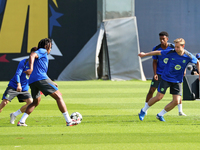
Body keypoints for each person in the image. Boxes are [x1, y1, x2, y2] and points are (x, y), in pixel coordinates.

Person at [17, 38, 80, 126]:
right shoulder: (43, 51)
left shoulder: (40, 55)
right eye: (50, 47)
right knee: (58, 97)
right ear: (47, 46)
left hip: (32, 80)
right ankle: (69, 121)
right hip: (40, 79)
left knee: (35, 102)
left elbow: (40, 70)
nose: (50, 50)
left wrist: (50, 81)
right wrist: (31, 68)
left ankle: (22, 121)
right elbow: (32, 55)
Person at [138, 38, 200, 121]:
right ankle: (143, 110)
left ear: (183, 46)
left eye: (178, 47)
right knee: (159, 97)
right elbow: (158, 52)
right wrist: (145, 54)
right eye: (175, 47)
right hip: (166, 78)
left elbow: (197, 62)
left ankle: (160, 115)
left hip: (177, 80)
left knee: (176, 101)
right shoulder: (171, 52)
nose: (176, 49)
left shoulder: (188, 56)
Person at [145, 31, 186, 116]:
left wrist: (183, 70)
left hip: (172, 74)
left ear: (167, 39)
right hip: (160, 73)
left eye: (163, 39)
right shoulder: (156, 48)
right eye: (160, 39)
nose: (162, 41)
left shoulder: (173, 47)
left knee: (177, 92)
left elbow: (182, 58)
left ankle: (180, 111)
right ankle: (145, 110)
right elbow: (154, 61)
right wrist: (155, 73)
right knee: (152, 90)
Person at [0, 47, 37, 124]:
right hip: (14, 86)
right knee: (4, 102)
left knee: (31, 103)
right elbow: (17, 74)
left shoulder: (37, 64)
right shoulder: (23, 62)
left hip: (24, 88)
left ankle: (14, 114)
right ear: (31, 54)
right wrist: (18, 84)